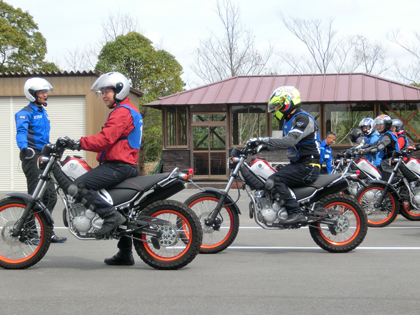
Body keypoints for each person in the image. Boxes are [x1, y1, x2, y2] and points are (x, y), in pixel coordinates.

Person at [67, 71, 143, 266]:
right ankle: (125, 253)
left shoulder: (122, 112)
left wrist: (76, 143)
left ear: (119, 90)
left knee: (79, 185)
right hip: (125, 165)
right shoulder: (126, 110)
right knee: (123, 209)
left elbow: (104, 140)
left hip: (119, 166)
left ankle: (109, 216)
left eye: (106, 91)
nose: (103, 96)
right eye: (101, 92)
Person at [247, 86, 320, 224]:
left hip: (308, 166)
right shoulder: (290, 120)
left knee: (275, 180)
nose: (275, 109)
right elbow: (282, 143)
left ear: (288, 102)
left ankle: (295, 212)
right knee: (272, 176)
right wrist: (260, 148)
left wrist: (262, 140)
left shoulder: (303, 119)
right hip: (299, 165)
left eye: (277, 105)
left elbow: (289, 141)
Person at [15, 77, 67, 243]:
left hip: (44, 156)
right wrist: (24, 148)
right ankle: (29, 233)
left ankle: (47, 232)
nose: (45, 95)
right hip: (32, 157)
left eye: (45, 92)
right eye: (42, 92)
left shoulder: (42, 112)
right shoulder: (24, 113)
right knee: (35, 196)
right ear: (32, 94)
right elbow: (21, 133)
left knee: (51, 196)